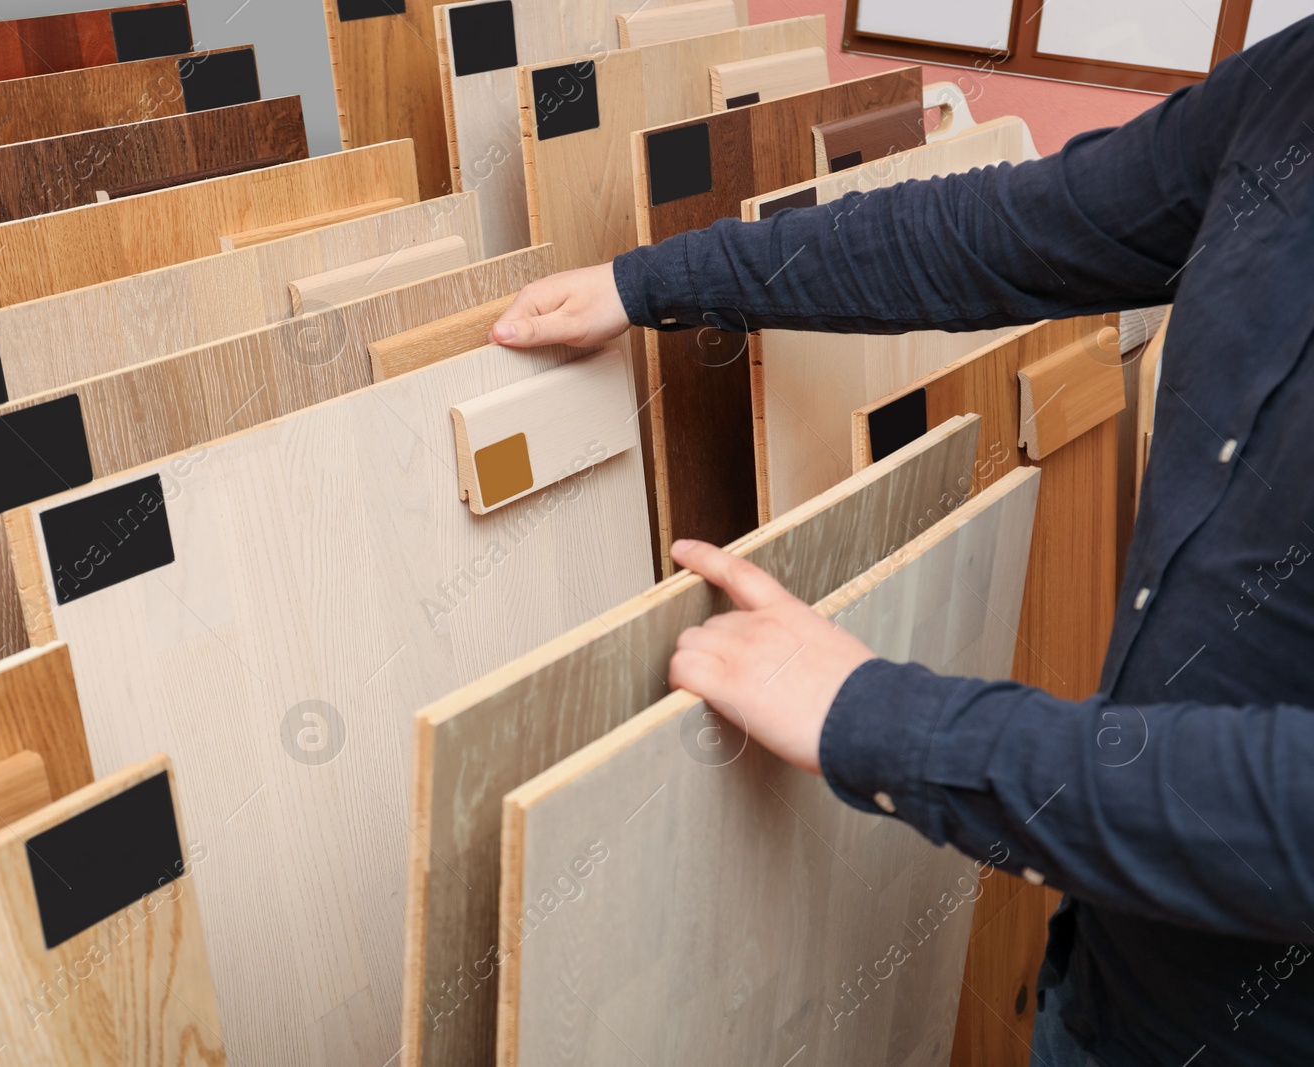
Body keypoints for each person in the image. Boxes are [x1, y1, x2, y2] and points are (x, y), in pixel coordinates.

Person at [487, 18, 1314, 1067]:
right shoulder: (1293, 87)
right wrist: (651, 283)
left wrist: (879, 718)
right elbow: (1001, 230)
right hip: (1106, 982)